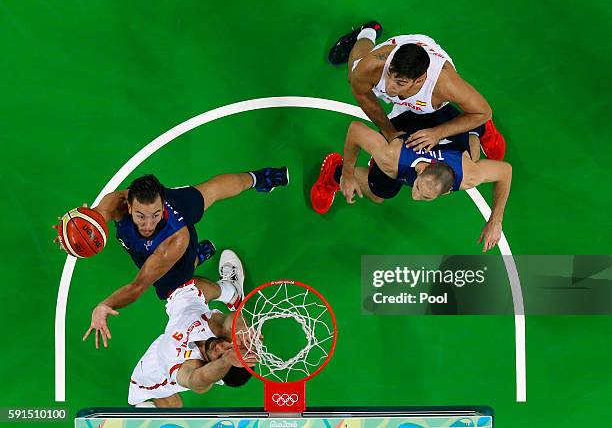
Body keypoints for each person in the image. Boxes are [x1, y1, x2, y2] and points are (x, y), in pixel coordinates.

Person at [53, 167, 289, 348]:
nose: (148, 224)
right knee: (208, 191)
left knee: (180, 285)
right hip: (147, 247)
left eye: (155, 215)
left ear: (163, 205)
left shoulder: (175, 240)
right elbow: (94, 221)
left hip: (172, 251)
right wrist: (74, 231)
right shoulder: (116, 203)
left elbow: (137, 287)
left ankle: (229, 289)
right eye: (140, 216)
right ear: (128, 205)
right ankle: (200, 256)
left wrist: (105, 305)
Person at [311, 121, 511, 252]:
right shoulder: (392, 158)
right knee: (378, 193)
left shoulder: (469, 175)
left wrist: (496, 220)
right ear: (422, 168)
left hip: (446, 128)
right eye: (417, 188)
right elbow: (355, 130)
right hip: (407, 127)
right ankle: (333, 172)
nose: (415, 197)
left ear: (448, 190)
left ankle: (478, 124)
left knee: (473, 157)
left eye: (424, 196)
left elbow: (505, 172)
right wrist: (347, 174)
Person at [327, 22, 505, 159]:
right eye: (390, 75)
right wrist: (389, 132)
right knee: (354, 77)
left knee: (473, 121)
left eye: (400, 83)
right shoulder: (373, 67)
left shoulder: (444, 85)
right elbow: (362, 94)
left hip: (432, 97)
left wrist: (438, 133)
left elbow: (483, 112)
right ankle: (366, 32)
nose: (389, 87)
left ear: (419, 80)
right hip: (399, 54)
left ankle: (482, 128)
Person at [128, 249, 256, 408]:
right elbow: (232, 320)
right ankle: (232, 291)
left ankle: (159, 410)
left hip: (158, 369)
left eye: (220, 355)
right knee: (185, 285)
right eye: (228, 347)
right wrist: (243, 330)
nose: (220, 347)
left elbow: (198, 380)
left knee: (158, 395)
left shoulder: (191, 367)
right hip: (182, 318)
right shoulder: (221, 335)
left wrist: (226, 360)